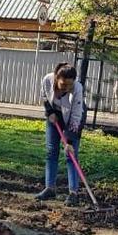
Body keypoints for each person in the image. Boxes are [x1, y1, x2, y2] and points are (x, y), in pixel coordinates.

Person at [35, 62, 86, 205]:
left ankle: (73, 193)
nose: (67, 88)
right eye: (63, 84)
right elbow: (44, 96)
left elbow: (76, 116)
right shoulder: (47, 80)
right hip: (55, 116)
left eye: (70, 85)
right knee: (51, 151)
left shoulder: (77, 89)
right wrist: (50, 112)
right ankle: (50, 188)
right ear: (57, 78)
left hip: (73, 118)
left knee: (71, 155)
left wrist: (69, 141)